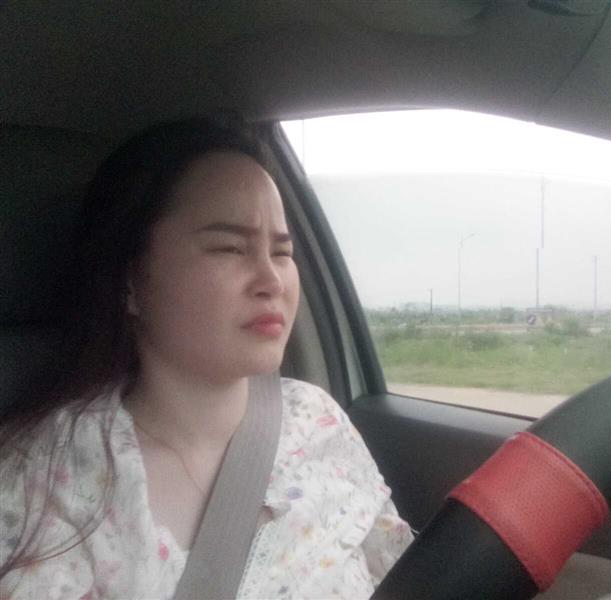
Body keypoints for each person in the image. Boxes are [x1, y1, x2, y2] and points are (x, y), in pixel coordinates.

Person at [0, 115, 414, 599]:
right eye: (229, 248)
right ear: (131, 281)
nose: (271, 280)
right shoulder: (49, 480)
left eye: (282, 253)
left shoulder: (318, 420)